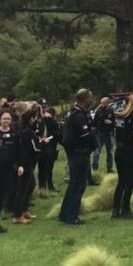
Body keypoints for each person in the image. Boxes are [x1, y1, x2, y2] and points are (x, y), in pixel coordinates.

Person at [58, 89, 96, 225]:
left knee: (74, 184)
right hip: (79, 153)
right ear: (85, 99)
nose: (92, 100)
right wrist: (94, 131)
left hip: (75, 153)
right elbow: (84, 135)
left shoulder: (75, 113)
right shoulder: (79, 115)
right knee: (78, 185)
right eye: (90, 98)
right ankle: (72, 216)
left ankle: (64, 213)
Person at [111, 93, 133, 219]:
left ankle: (115, 209)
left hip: (119, 150)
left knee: (121, 182)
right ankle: (125, 209)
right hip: (129, 151)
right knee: (130, 181)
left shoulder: (119, 116)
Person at [12, 107, 40, 224]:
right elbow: (33, 147)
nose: (35, 120)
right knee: (22, 189)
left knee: (31, 185)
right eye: (34, 118)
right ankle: (17, 215)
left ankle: (24, 210)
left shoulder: (26, 130)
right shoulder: (27, 131)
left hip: (26, 162)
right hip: (25, 163)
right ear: (30, 119)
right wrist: (40, 146)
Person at [36, 106, 61, 192]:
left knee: (49, 167)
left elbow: (57, 133)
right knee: (41, 167)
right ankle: (41, 187)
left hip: (50, 145)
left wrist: (49, 138)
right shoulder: (37, 121)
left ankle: (50, 186)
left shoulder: (51, 121)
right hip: (40, 146)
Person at [91, 97, 115, 174]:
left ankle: (110, 168)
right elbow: (94, 123)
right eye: (100, 103)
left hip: (109, 134)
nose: (101, 105)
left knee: (110, 152)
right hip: (99, 134)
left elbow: (116, 122)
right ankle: (95, 169)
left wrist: (111, 123)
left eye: (103, 103)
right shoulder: (98, 111)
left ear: (107, 103)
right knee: (96, 152)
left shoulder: (112, 111)